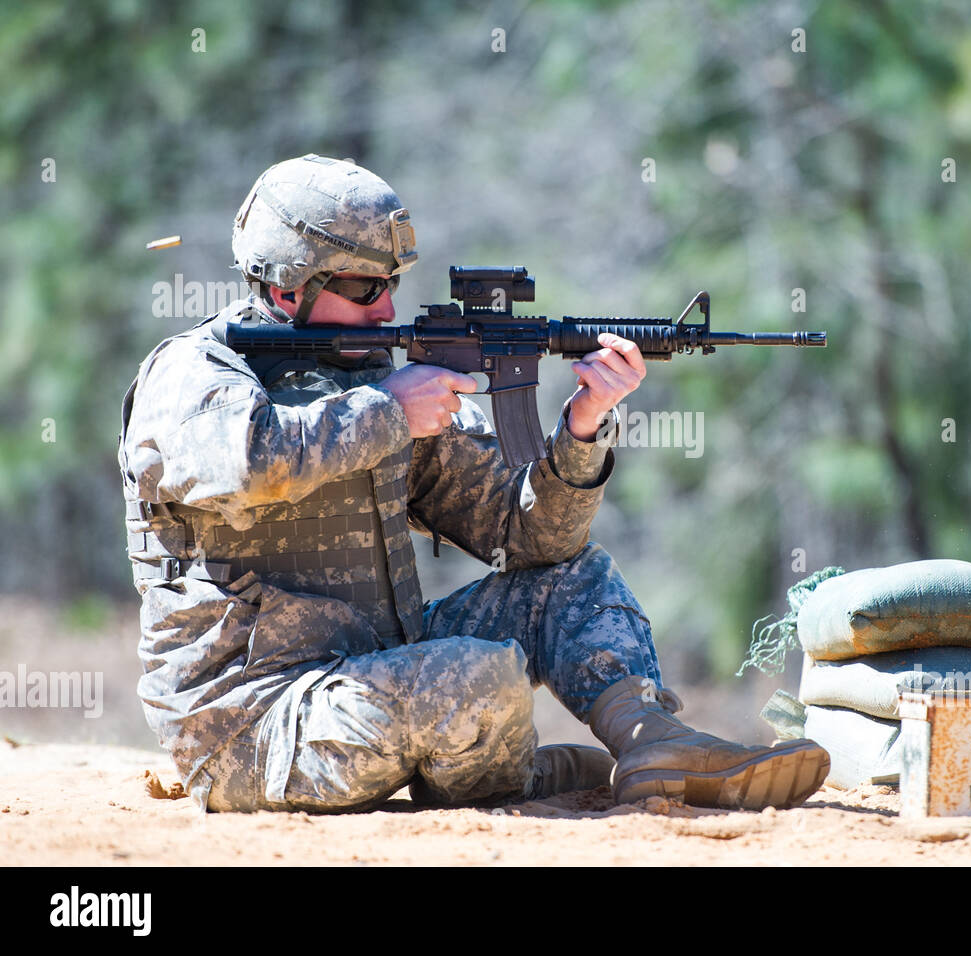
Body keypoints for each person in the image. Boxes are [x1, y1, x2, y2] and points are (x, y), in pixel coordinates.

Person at [118, 153, 829, 813]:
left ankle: (652, 740)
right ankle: (523, 775)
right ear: (286, 284)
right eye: (366, 287)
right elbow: (251, 463)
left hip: (372, 668)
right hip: (251, 720)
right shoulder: (194, 374)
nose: (388, 310)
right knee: (474, 676)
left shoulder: (376, 377)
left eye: (392, 285)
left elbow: (526, 537)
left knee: (572, 577)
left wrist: (581, 429)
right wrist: (392, 412)